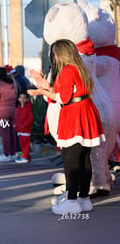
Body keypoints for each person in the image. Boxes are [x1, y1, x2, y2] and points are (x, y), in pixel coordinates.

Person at [28, 39, 105, 215]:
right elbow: (60, 93)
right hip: (85, 114)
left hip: (74, 116)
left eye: (54, 53)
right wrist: (44, 85)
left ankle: (71, 200)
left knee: (71, 160)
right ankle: (83, 199)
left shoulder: (67, 70)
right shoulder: (79, 68)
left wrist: (41, 91)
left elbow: (62, 98)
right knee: (84, 159)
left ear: (60, 54)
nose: (54, 57)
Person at [0, 67, 17, 162]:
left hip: (2, 113)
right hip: (13, 111)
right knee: (11, 133)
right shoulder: (12, 84)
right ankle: (13, 153)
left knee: (4, 134)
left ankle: (6, 154)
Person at [13, 92, 33, 163]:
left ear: (27, 99)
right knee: (21, 145)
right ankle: (24, 156)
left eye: (24, 98)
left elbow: (30, 119)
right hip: (19, 130)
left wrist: (24, 125)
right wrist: (15, 125)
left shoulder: (28, 108)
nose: (22, 99)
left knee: (25, 145)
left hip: (25, 130)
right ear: (18, 99)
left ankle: (25, 157)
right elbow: (16, 118)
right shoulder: (18, 108)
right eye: (21, 98)